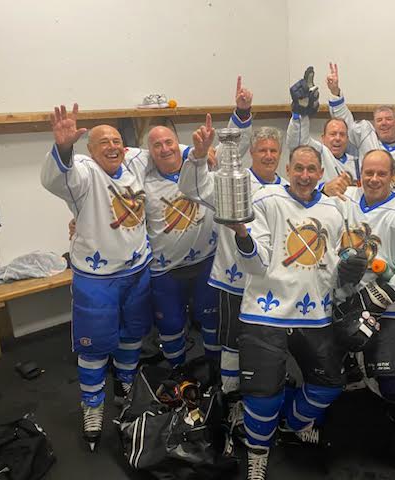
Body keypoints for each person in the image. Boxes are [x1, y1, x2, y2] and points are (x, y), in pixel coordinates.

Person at [227, 146, 354, 479]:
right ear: (288, 169)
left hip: (315, 314)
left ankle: (291, 424)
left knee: (330, 384)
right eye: (299, 168)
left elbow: (334, 265)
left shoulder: (334, 209)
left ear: (320, 173)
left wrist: (349, 271)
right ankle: (258, 450)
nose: (305, 175)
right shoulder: (266, 200)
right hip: (264, 314)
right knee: (262, 394)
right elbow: (255, 264)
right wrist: (242, 234)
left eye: (312, 169)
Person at [41, 104, 153, 451]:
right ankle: (92, 405)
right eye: (103, 142)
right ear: (90, 150)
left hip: (137, 268)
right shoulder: (84, 172)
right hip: (96, 277)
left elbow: (168, 151)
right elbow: (57, 179)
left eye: (116, 140)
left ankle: (125, 384)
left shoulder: (136, 162)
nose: (112, 146)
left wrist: (203, 152)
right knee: (94, 345)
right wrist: (63, 147)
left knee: (132, 334)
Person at [134, 78, 254, 368]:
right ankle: (177, 373)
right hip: (166, 270)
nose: (165, 149)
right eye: (157, 145)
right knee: (171, 325)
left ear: (179, 144)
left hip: (206, 262)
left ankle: (214, 370)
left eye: (169, 142)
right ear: (149, 151)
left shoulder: (207, 166)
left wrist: (242, 112)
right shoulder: (143, 182)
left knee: (210, 318)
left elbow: (233, 146)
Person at [178, 117, 287, 427]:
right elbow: (191, 188)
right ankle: (230, 397)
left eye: (273, 150)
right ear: (251, 152)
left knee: (268, 341)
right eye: (262, 150)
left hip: (272, 284)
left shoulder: (286, 188)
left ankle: (266, 391)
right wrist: (199, 156)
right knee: (232, 342)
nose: (268, 155)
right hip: (236, 281)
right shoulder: (229, 182)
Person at [336, 149, 395, 469]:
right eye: (369, 173)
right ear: (360, 174)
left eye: (381, 173)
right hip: (341, 298)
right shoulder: (344, 200)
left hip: (388, 303)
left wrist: (375, 297)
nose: (374, 179)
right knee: (322, 371)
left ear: (393, 176)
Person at [326, 62, 395, 193]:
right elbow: (344, 123)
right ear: (375, 124)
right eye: (379, 120)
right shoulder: (367, 139)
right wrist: (335, 92)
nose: (384, 123)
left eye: (388, 119)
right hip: (368, 198)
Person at [286, 68, 358, 193]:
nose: (337, 138)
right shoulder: (319, 153)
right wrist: (300, 112)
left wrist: (335, 92)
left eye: (342, 135)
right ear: (323, 138)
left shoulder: (357, 161)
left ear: (347, 139)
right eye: (332, 134)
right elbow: (297, 143)